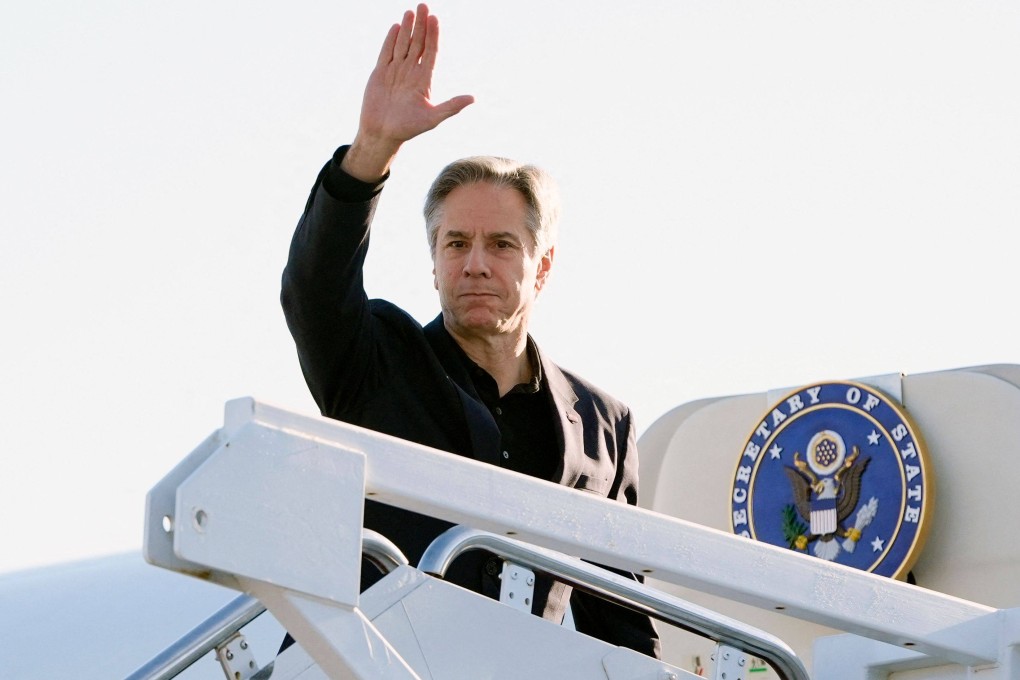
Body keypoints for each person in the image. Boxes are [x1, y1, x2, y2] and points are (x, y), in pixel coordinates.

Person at [281, 3, 659, 658]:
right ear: (433, 263)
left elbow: (620, 620)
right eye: (455, 243)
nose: (475, 264)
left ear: (541, 267)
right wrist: (373, 149)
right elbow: (312, 290)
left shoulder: (605, 425)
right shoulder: (375, 361)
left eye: (500, 245)